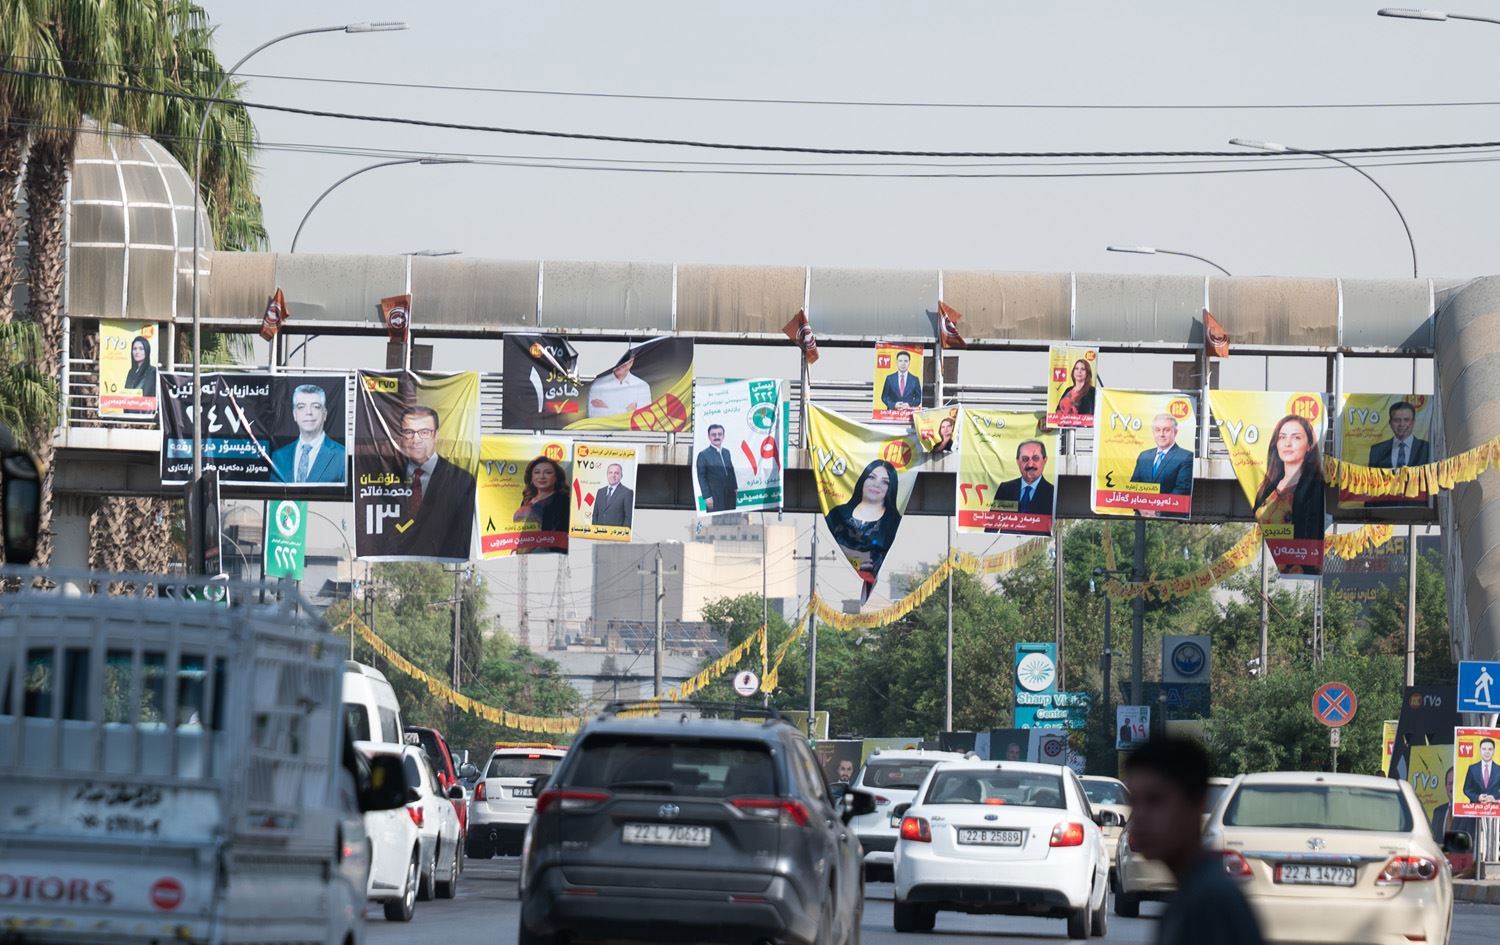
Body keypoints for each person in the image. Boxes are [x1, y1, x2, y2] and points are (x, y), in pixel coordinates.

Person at [1123, 737, 1265, 945]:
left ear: (1197, 802)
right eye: (1134, 802)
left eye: (1155, 800)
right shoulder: (1189, 895)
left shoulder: (1211, 901)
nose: (1140, 816)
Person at [395, 405, 475, 559]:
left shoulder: (461, 481)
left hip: (438, 564)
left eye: (424, 432)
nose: (416, 440)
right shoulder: (386, 475)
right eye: (409, 432)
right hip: (395, 564)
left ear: (436, 435)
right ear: (401, 437)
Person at [825, 459, 903, 599]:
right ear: (863, 480)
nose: (876, 484)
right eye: (872, 477)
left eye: (885, 481)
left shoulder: (892, 520)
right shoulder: (838, 512)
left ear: (890, 488)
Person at [1252, 415, 1326, 552]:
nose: (1288, 443)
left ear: (1310, 445)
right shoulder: (1266, 488)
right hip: (1269, 559)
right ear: (1276, 443)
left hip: (1300, 560)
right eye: (1282, 437)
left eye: (1296, 437)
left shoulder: (1314, 489)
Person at [271, 384, 346, 484]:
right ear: (294, 414)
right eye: (301, 407)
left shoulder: (342, 456)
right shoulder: (279, 457)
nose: (308, 412)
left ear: (325, 414)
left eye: (315, 406)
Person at [988, 439, 1054, 530]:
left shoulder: (1053, 493)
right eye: (1025, 459)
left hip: (1038, 544)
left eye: (1035, 458)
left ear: (1045, 460)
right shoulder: (1005, 490)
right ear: (1018, 461)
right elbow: (991, 527)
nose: (1030, 464)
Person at [1131, 414, 1194, 496]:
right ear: (1153, 432)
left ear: (1175, 432)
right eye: (1157, 430)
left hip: (1168, 508)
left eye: (1166, 430)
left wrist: (1158, 508)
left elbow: (1182, 489)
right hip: (1142, 508)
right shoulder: (1144, 456)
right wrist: (1141, 507)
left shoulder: (1186, 457)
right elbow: (1134, 486)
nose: (1161, 434)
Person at [513, 456, 570, 538]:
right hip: (524, 547)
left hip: (548, 548)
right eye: (537, 472)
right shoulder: (527, 499)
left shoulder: (563, 501)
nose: (542, 477)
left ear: (556, 478)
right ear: (531, 477)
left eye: (548, 472)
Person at [588, 352, 651, 418]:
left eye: (623, 361)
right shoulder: (597, 384)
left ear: (631, 361)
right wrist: (626, 411)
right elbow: (593, 416)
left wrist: (606, 410)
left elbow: (644, 417)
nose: (619, 365)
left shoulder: (642, 386)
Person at [695, 424, 738, 513]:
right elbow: (701, 477)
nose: (717, 437)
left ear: (723, 436)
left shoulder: (727, 452)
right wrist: (707, 496)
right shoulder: (703, 454)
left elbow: (731, 470)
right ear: (709, 437)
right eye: (713, 435)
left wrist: (735, 488)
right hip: (714, 495)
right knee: (716, 520)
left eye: (719, 434)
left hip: (729, 493)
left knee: (731, 519)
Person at [592, 462, 634, 528]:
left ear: (621, 476)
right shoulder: (600, 492)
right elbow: (595, 514)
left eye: (616, 473)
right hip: (599, 534)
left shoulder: (627, 493)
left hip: (616, 535)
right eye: (610, 472)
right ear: (607, 474)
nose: (613, 475)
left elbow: (628, 517)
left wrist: (623, 535)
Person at [1462, 737, 1499, 804]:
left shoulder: (1499, 769)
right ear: (1480, 750)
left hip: (1494, 809)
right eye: (1484, 749)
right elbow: (1466, 789)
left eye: (1490, 749)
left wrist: (1494, 797)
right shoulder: (1472, 768)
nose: (1487, 752)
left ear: (1493, 751)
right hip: (1476, 808)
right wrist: (1477, 797)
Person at [1429, 767, 1456, 843]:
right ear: (1446, 787)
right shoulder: (1438, 812)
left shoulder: (1467, 813)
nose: (1452, 787)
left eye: (1455, 783)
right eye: (1450, 783)